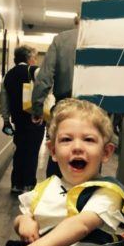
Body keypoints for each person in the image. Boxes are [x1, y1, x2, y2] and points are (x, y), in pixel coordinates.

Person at [6, 99, 124, 246]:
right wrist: (24, 222)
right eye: (66, 139)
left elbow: (81, 225)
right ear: (53, 151)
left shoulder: (107, 192)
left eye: (88, 140)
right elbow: (23, 215)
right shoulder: (45, 188)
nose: (77, 147)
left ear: (106, 152)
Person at [31, 17, 80, 176]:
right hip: (95, 107)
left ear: (76, 20)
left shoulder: (61, 40)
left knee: (59, 156)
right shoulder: (105, 42)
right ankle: (83, 197)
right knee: (90, 159)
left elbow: (44, 78)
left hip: (66, 106)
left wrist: (37, 109)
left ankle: (56, 195)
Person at [0, 45, 45, 194]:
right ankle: (28, 185)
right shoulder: (33, 70)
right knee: (32, 152)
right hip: (34, 120)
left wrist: (6, 120)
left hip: (17, 121)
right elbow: (46, 81)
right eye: (34, 57)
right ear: (29, 58)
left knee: (20, 151)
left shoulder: (8, 75)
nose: (35, 59)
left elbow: (3, 100)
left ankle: (16, 184)